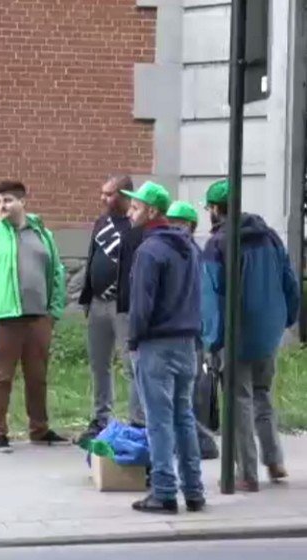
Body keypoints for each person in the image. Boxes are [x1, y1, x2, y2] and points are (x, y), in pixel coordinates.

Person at [201, 179, 300, 491]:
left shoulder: (218, 244)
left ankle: (246, 473)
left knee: (238, 400)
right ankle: (274, 460)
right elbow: (290, 281)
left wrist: (212, 341)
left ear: (216, 210)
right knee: (262, 394)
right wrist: (288, 318)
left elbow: (212, 298)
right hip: (269, 331)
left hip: (236, 335)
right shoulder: (270, 237)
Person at [0, 180, 68, 453]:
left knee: (37, 377)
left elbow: (57, 272)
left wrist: (53, 310)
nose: (2, 206)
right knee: (1, 377)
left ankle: (40, 429)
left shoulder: (42, 234)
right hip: (3, 318)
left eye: (8, 200)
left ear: (23, 202)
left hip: (38, 318)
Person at [122, 181, 205, 514]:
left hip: (156, 343)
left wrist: (133, 340)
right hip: (187, 343)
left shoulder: (149, 251)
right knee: (184, 418)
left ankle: (164, 491)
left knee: (158, 420)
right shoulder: (190, 248)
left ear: (152, 211)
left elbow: (141, 305)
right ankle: (194, 490)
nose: (130, 212)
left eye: (136, 207)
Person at [77, 176, 143, 444]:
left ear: (125, 195)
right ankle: (100, 418)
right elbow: (92, 256)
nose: (103, 199)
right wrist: (86, 296)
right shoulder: (101, 223)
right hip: (97, 303)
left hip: (123, 305)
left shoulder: (136, 226)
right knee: (99, 364)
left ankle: (137, 421)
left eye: (109, 194)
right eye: (102, 193)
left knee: (131, 365)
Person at [165, 201, 222, 461]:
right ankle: (192, 440)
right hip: (183, 330)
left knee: (189, 390)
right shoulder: (177, 252)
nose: (172, 225)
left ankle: (200, 441)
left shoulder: (193, 254)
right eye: (170, 221)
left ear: (189, 225)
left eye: (177, 221)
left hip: (193, 332)